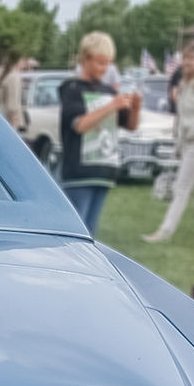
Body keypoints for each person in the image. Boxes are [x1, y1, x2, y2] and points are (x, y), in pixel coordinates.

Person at [57, 31, 139, 235]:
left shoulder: (108, 91)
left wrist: (135, 108)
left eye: (108, 63)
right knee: (77, 231)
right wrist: (112, 105)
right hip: (79, 172)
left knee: (91, 231)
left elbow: (129, 125)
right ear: (84, 59)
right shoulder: (72, 89)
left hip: (103, 169)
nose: (104, 69)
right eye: (100, 62)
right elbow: (80, 125)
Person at [143, 42, 194, 242]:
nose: (186, 62)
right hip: (188, 142)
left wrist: (192, 132)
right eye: (185, 58)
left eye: (192, 59)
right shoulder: (186, 84)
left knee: (181, 186)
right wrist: (180, 140)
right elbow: (182, 115)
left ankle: (165, 231)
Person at [0, 48, 24, 130]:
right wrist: (14, 126)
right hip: (9, 121)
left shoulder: (1, 73)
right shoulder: (14, 77)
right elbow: (12, 105)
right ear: (18, 61)